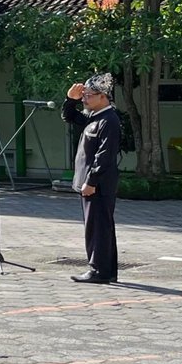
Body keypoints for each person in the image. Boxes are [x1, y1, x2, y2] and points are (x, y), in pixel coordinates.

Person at [64, 74, 123, 284]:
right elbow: (70, 117)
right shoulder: (94, 117)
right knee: (100, 226)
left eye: (88, 95)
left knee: (98, 228)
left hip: (98, 185)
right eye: (84, 95)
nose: (84, 99)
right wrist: (70, 99)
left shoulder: (109, 120)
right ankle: (106, 271)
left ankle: (98, 270)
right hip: (92, 183)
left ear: (103, 96)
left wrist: (91, 181)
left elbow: (104, 156)